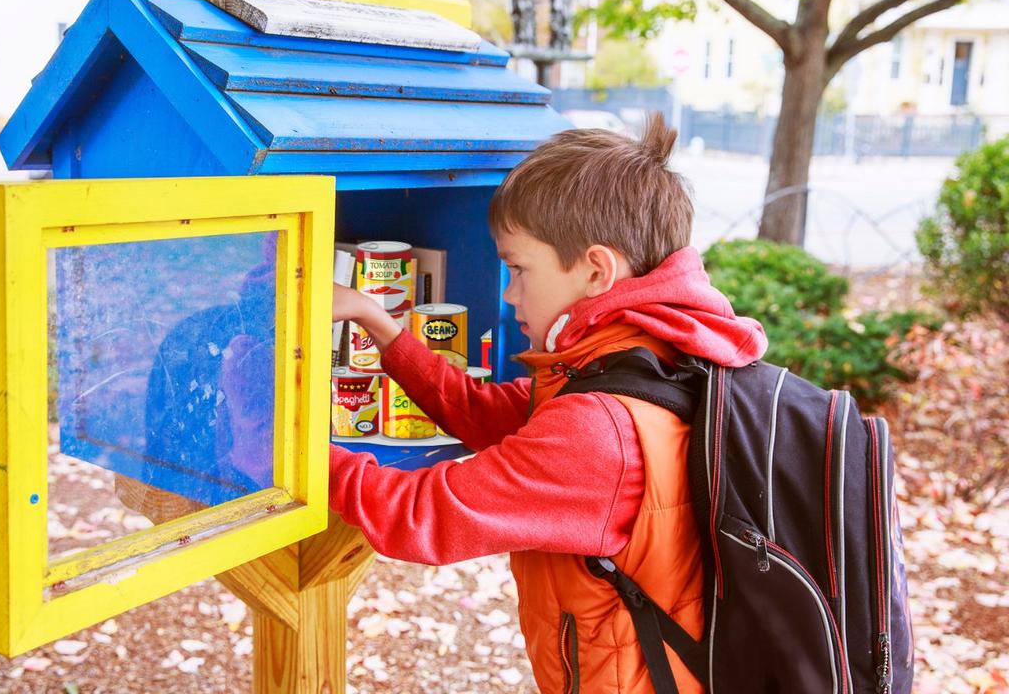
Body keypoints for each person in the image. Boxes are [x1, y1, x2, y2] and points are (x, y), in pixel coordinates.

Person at [329, 114, 768, 693]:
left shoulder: (598, 429)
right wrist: (378, 323)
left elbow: (420, 515)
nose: (508, 294)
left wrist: (288, 444)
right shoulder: (654, 349)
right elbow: (488, 412)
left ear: (595, 270)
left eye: (518, 269)